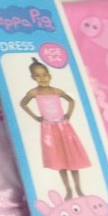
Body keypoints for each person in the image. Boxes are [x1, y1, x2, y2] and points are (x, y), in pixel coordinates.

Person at [20, 59, 91, 198]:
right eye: (38, 75)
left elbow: (71, 100)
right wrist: (36, 117)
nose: (42, 78)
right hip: (49, 130)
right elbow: (23, 103)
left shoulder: (56, 91)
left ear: (50, 75)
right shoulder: (34, 92)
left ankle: (78, 188)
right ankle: (68, 189)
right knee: (59, 161)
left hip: (63, 128)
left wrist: (68, 114)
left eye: (44, 75)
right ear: (33, 77)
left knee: (72, 159)